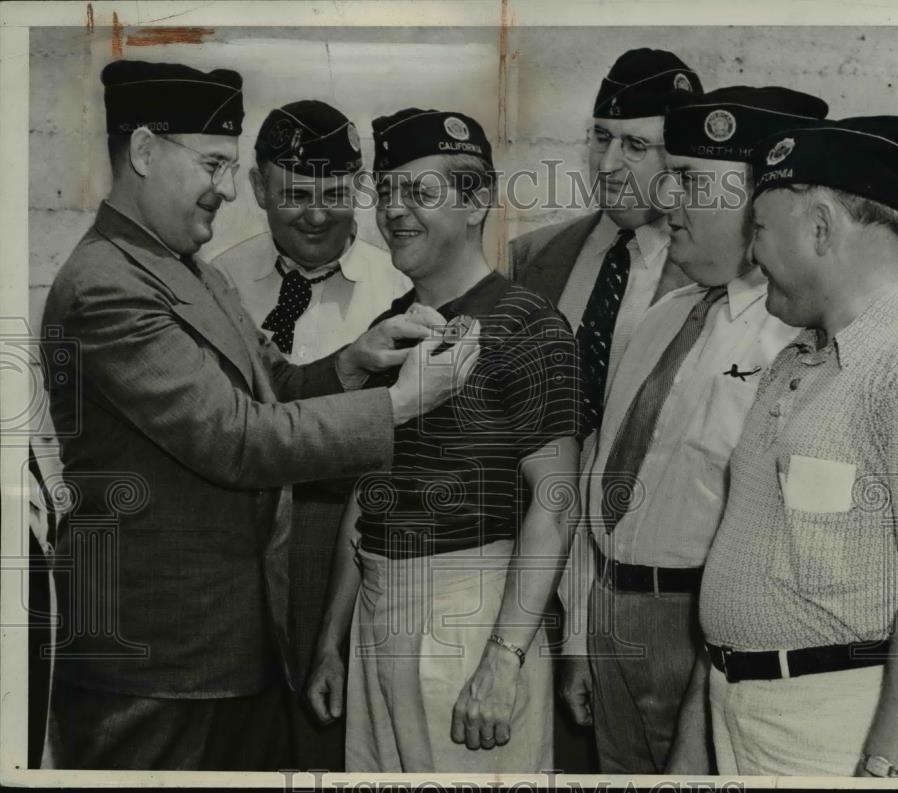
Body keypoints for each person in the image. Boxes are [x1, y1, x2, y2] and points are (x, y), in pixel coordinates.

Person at [40, 61, 478, 771]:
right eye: (212, 163)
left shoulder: (188, 268)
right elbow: (237, 437)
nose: (223, 187)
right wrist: (398, 405)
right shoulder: (106, 287)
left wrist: (354, 360)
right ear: (146, 153)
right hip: (153, 667)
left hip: (231, 649)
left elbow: (269, 387)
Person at [698, 115, 898, 776]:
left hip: (834, 729)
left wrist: (884, 767)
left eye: (759, 230)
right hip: (741, 709)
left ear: (821, 228)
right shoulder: (801, 357)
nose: (749, 254)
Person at [559, 86, 828, 774]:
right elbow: (603, 472)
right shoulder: (664, 316)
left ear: (763, 202)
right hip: (613, 613)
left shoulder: (797, 347)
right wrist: (585, 634)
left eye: (692, 183)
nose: (667, 202)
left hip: (704, 632)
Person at [305, 108, 581, 772]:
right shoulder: (390, 328)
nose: (396, 211)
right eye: (388, 192)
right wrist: (331, 638)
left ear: (476, 201)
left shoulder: (532, 326)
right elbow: (370, 491)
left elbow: (557, 500)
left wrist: (504, 658)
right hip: (380, 606)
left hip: (470, 616)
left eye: (420, 193)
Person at [212, 99, 409, 770]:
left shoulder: (400, 288)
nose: (318, 214)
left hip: (350, 537)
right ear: (258, 186)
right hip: (238, 542)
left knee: (337, 731)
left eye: (335, 192)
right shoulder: (219, 283)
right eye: (295, 194)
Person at [510, 47, 701, 442]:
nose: (607, 164)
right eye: (601, 138)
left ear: (680, 158)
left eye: (635, 145)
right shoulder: (528, 256)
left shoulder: (713, 278)